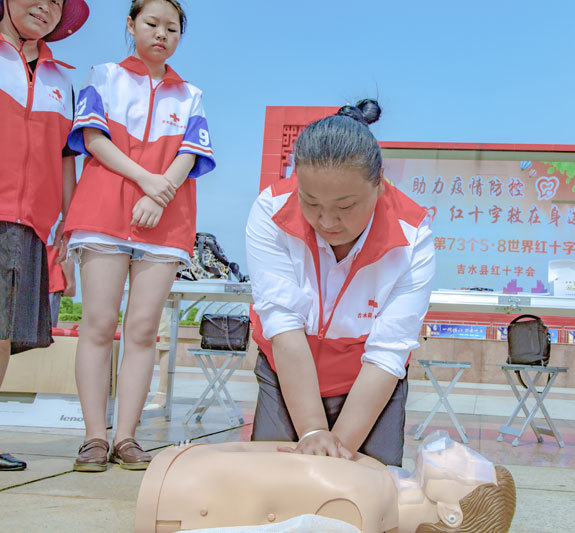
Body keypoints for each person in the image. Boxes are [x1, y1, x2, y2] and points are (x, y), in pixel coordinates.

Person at [65, 0, 215, 473]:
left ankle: (126, 437)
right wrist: (147, 181)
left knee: (144, 330)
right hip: (103, 212)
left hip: (166, 221)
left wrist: (159, 193)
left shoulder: (190, 94)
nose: (161, 34)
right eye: (152, 23)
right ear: (131, 25)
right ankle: (94, 437)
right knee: (98, 325)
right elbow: (93, 140)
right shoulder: (104, 76)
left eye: (172, 28)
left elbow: (190, 154)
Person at [245, 99, 435, 467]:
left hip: (369, 383)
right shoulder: (271, 211)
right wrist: (313, 431)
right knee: (275, 482)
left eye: (346, 206)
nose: (327, 221)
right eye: (311, 202)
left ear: (380, 184)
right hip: (287, 374)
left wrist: (339, 449)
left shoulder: (412, 237)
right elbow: (282, 324)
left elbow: (388, 351)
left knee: (365, 488)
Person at [0, 0, 88, 472]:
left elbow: (65, 160)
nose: (46, 6)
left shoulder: (62, 81)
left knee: (2, 334)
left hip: (32, 224)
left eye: (58, 1)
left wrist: (68, 229)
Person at [134, 433, 516, 533]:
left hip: (176, 496)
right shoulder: (376, 479)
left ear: (451, 514)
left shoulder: (364, 510)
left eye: (467, 466)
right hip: (186, 473)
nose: (460, 451)